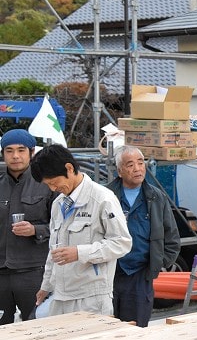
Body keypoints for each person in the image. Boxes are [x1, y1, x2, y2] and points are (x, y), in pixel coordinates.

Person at [30, 144, 132, 316]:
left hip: (91, 297)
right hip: (60, 295)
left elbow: (122, 243)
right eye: (48, 185)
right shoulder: (58, 204)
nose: (53, 189)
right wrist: (46, 286)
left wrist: (80, 252)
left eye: (54, 183)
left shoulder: (103, 199)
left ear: (69, 168)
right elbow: (53, 251)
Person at [106, 145, 180, 327]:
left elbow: (172, 237)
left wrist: (158, 262)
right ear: (120, 171)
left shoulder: (156, 197)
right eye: (130, 164)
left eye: (141, 163)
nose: (137, 168)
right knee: (107, 327)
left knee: (137, 328)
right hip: (110, 272)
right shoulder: (106, 196)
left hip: (140, 273)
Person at [0, 129, 56, 324]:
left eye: (21, 150)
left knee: (37, 326)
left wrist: (35, 230)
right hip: (2, 271)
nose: (15, 156)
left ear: (32, 153)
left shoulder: (48, 184)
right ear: (3, 154)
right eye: (9, 151)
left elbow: (62, 228)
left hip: (33, 271)